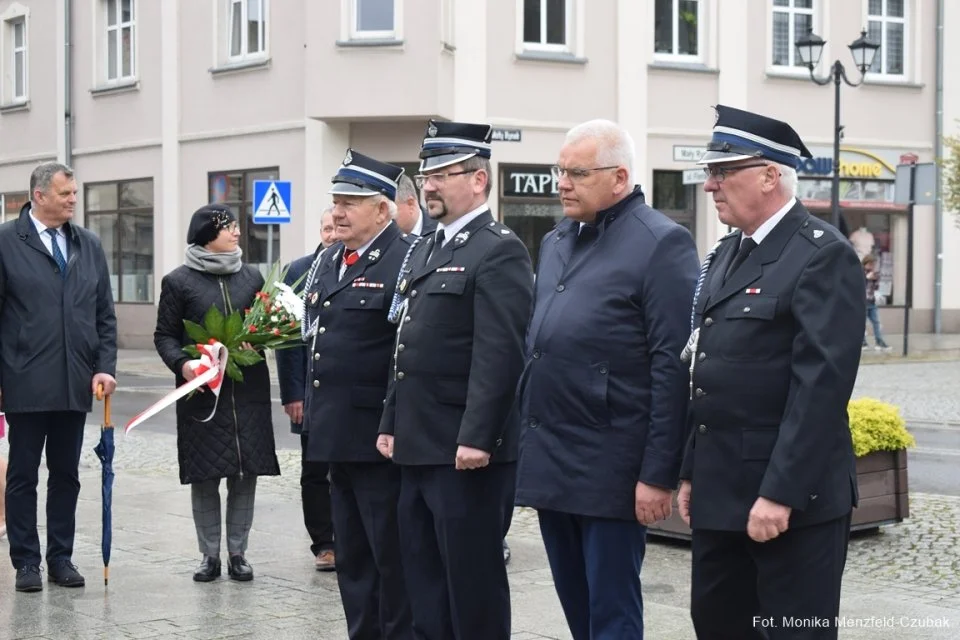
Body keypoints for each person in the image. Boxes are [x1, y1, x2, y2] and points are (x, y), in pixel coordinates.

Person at [677, 105, 865, 639]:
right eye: (710, 172)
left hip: (789, 501)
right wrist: (692, 468)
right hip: (722, 490)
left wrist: (780, 493)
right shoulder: (727, 254)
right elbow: (704, 368)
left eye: (723, 171)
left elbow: (820, 389)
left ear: (768, 176)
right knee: (717, 625)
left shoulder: (821, 255)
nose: (710, 185)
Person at [514, 120, 698, 639]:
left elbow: (672, 366)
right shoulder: (555, 241)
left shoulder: (662, 243)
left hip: (612, 466)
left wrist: (658, 473)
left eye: (576, 172)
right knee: (575, 605)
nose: (562, 183)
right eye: (560, 170)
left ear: (619, 177)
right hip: (554, 459)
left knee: (612, 612)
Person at [377, 120, 534, 640]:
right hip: (418, 445)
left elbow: (500, 354)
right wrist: (390, 421)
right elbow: (407, 345)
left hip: (466, 454)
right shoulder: (425, 248)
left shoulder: (498, 249)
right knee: (423, 578)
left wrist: (476, 437)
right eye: (427, 175)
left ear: (479, 181)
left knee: (472, 583)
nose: (431, 185)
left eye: (445, 173)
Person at [300, 150, 414, 639]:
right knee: (351, 558)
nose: (338, 212)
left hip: (376, 438)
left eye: (351, 202)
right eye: (336, 201)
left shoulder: (407, 257)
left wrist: (391, 425)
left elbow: (404, 355)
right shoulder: (330, 258)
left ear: (383, 209)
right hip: (334, 435)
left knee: (390, 556)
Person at [0, 161, 118, 593]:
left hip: (75, 380)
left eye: (74, 192)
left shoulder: (88, 245)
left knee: (67, 473)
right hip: (24, 380)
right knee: (24, 474)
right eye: (65, 193)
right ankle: (26, 562)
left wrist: (104, 365)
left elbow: (104, 314)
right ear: (39, 196)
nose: (73, 199)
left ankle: (60, 558)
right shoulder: (7, 243)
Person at [154, 205, 281, 583]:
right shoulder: (178, 282)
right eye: (228, 227)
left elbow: (267, 325)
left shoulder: (252, 276)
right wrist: (184, 366)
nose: (237, 233)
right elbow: (165, 336)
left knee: (245, 473)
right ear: (207, 233)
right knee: (206, 475)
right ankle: (209, 555)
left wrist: (265, 340)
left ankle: (238, 553)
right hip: (202, 394)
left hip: (248, 392)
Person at [276, 206, 337, 572]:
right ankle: (324, 544)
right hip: (309, 393)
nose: (331, 234)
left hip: (346, 394)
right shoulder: (298, 271)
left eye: (336, 227)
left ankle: (348, 535)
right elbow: (286, 338)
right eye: (326, 228)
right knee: (314, 471)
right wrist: (292, 394)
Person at [862, 254, 891, 351]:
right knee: (862, 324)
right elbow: (858, 285)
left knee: (876, 322)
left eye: (873, 265)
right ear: (865, 263)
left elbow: (876, 288)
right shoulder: (860, 272)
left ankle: (879, 341)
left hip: (871, 302)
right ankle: (863, 342)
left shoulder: (874, 273)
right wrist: (866, 278)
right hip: (862, 302)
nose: (872, 266)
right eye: (870, 264)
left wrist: (875, 280)